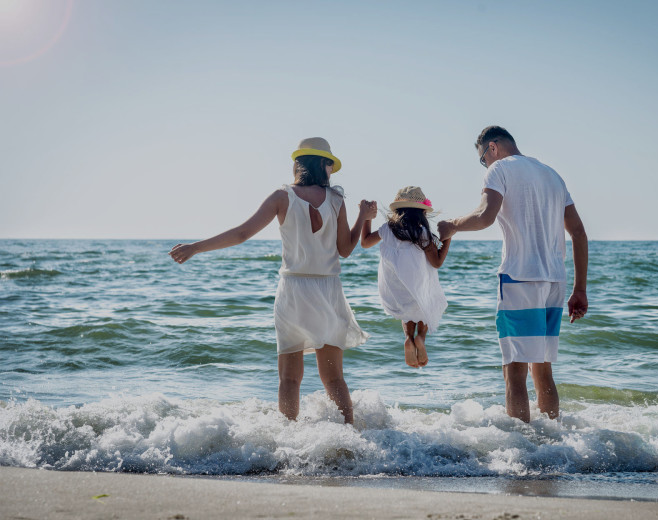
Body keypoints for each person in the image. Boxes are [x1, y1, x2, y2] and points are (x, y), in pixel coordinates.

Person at [168, 137, 375, 425]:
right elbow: (345, 249)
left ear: (299, 164)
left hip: (292, 290)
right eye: (330, 165)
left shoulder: (282, 196)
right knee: (334, 378)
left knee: (289, 378)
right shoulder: (337, 200)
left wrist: (195, 247)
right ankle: (350, 439)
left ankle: (286, 441)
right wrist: (364, 217)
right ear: (324, 164)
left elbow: (242, 234)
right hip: (328, 290)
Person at [438, 126, 588, 421]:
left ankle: (522, 453)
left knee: (514, 370)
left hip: (520, 277)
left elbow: (484, 217)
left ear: (492, 147)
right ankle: (551, 447)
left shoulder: (499, 170)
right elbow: (580, 233)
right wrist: (580, 289)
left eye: (483, 159)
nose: (485, 165)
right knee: (542, 369)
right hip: (555, 281)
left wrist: (452, 226)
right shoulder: (553, 175)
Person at [361, 186, 450, 368]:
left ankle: (408, 337)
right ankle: (420, 337)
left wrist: (367, 218)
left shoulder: (387, 229)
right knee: (423, 311)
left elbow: (365, 242)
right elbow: (437, 262)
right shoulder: (422, 234)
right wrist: (447, 240)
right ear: (421, 213)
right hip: (418, 287)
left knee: (406, 314)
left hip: (395, 289)